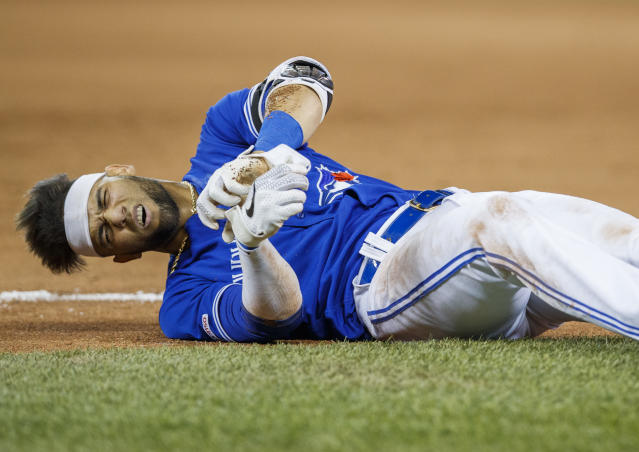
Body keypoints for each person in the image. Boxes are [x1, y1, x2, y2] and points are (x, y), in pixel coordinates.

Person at [17, 56, 639, 342]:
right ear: (120, 257)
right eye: (104, 234)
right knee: (496, 220)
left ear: (117, 171)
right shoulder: (183, 304)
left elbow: (307, 78)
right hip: (391, 289)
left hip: (442, 218)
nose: (115, 217)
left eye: (102, 199)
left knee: (596, 233)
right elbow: (278, 316)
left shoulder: (220, 137)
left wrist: (266, 155)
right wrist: (253, 245)